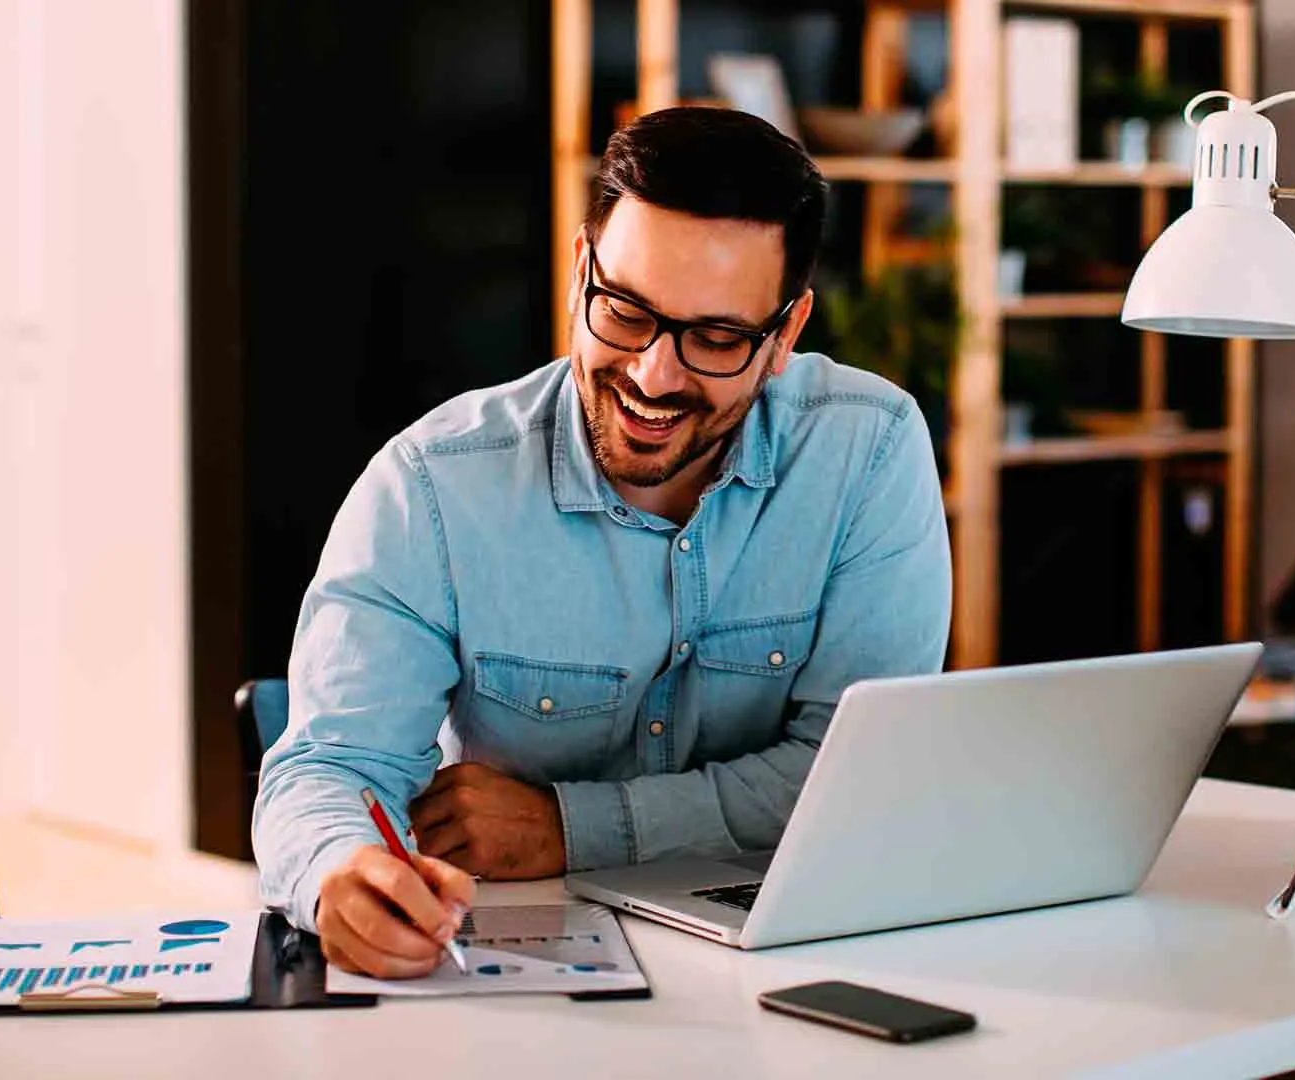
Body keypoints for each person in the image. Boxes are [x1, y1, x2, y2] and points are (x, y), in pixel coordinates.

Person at [254, 106, 952, 978]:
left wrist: (568, 827)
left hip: (790, 959)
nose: (655, 374)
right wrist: (338, 873)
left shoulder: (868, 449)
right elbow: (326, 770)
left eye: (718, 337)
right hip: (520, 977)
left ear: (786, 334)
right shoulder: (431, 486)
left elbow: (850, 773)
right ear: (582, 268)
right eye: (624, 310)